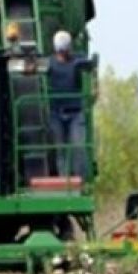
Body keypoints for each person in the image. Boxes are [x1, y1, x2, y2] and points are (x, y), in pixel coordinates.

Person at [46, 30, 95, 179]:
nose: (63, 53)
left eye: (65, 49)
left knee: (78, 146)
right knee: (60, 149)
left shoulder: (78, 61)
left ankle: (82, 181)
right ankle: (63, 182)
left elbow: (91, 65)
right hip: (56, 113)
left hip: (75, 113)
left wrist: (95, 84)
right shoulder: (49, 63)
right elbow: (34, 70)